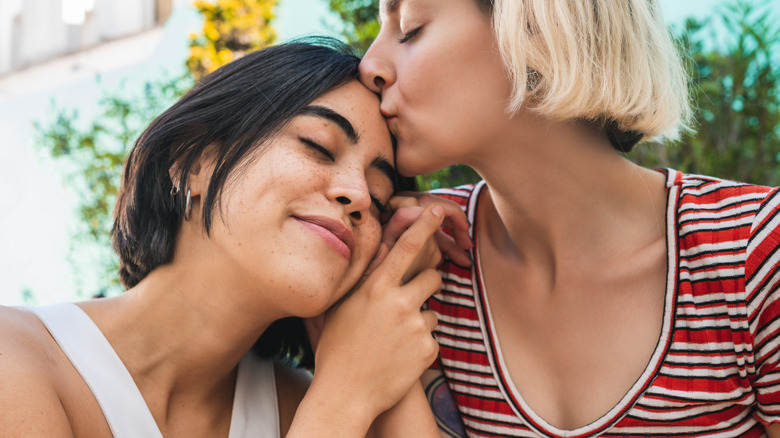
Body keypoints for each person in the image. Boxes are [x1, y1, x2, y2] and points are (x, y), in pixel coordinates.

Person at [359, 0, 780, 436]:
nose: (369, 65)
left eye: (410, 28)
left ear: (535, 24)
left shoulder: (756, 256)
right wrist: (376, 278)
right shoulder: (418, 267)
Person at [0, 39, 453, 437]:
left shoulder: (312, 401)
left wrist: (384, 302)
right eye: (318, 145)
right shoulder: (16, 359)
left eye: (379, 197)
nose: (357, 195)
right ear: (191, 161)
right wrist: (345, 399)